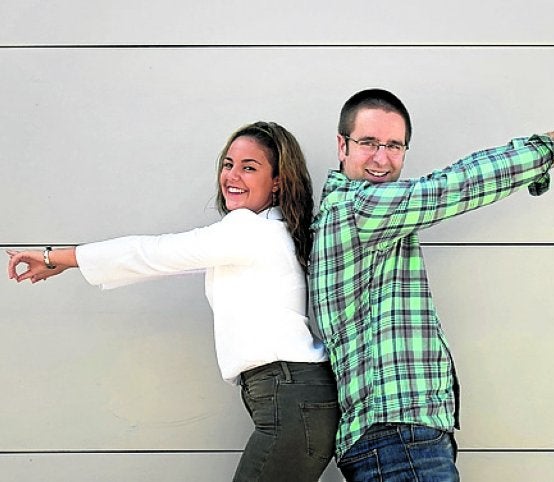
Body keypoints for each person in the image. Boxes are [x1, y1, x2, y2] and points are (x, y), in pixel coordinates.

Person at [7, 121, 339, 482]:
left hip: (289, 397)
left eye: (249, 167)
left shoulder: (250, 230)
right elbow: (163, 263)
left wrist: (58, 257)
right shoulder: (268, 231)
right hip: (293, 397)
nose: (232, 176)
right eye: (228, 164)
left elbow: (155, 253)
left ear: (277, 181)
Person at [309, 88, 554, 481]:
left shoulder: (353, 212)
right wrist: (553, 149)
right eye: (368, 143)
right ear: (342, 146)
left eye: (394, 146)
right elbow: (457, 185)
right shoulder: (359, 209)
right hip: (400, 440)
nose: (381, 158)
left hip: (393, 440)